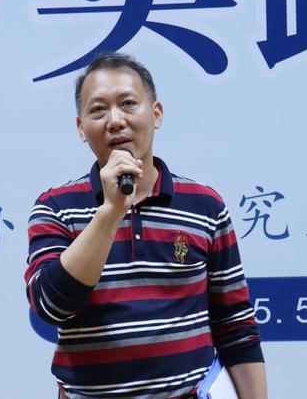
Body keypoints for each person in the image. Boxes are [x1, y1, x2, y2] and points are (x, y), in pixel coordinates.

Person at [25, 52, 267, 398]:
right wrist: (110, 212)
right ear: (81, 128)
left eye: (128, 104)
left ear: (156, 114)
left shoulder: (205, 206)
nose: (115, 121)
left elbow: (236, 326)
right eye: (98, 110)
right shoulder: (56, 207)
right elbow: (51, 306)